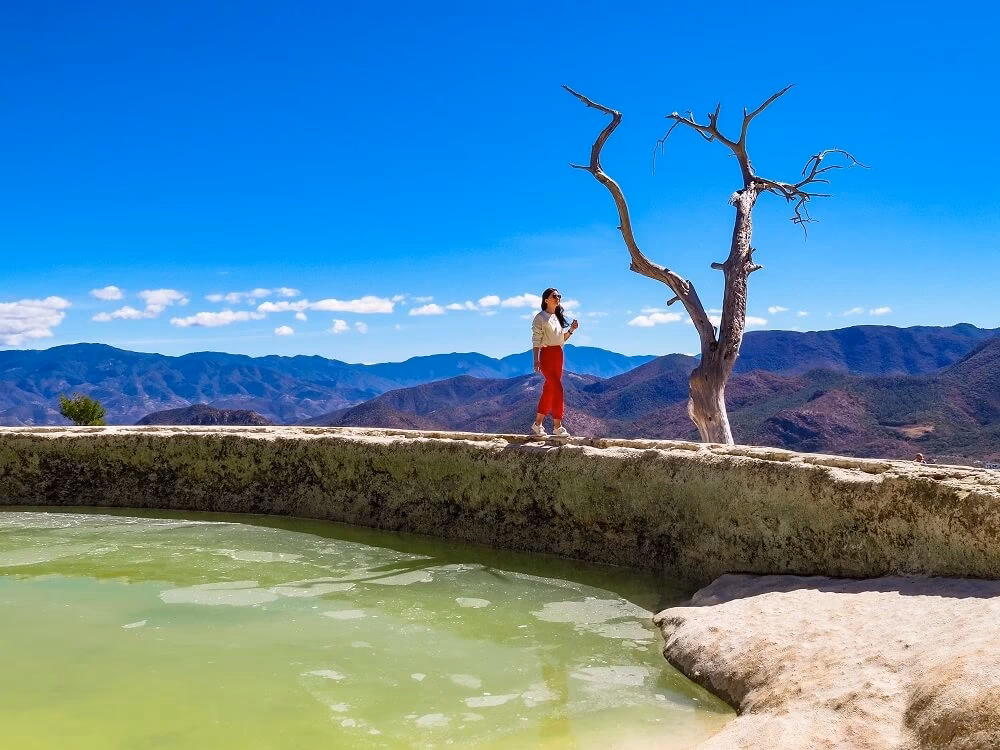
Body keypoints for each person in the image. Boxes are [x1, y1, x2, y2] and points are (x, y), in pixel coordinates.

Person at [530, 288, 578, 437]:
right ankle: (557, 426)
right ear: (546, 300)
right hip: (547, 356)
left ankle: (537, 425)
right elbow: (536, 339)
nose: (558, 298)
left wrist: (571, 330)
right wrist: (536, 359)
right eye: (554, 296)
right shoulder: (540, 318)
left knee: (550, 390)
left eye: (559, 296)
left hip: (559, 355)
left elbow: (561, 340)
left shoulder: (556, 317)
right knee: (558, 389)